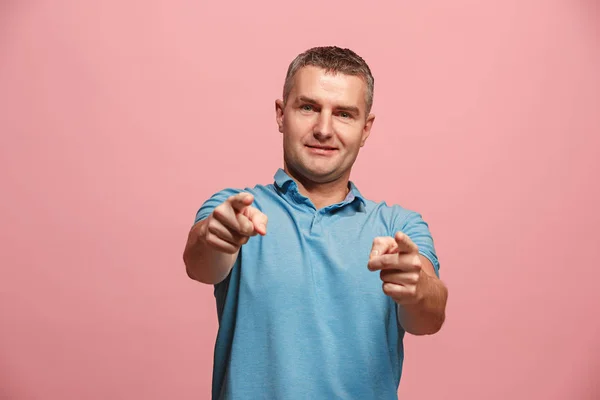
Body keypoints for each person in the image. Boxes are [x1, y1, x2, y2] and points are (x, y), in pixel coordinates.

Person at [183, 46, 448, 400]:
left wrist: (415, 288)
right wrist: (217, 237)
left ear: (365, 128)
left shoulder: (398, 226)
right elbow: (200, 264)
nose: (324, 129)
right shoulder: (236, 209)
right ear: (281, 114)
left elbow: (429, 317)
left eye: (343, 114)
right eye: (308, 107)